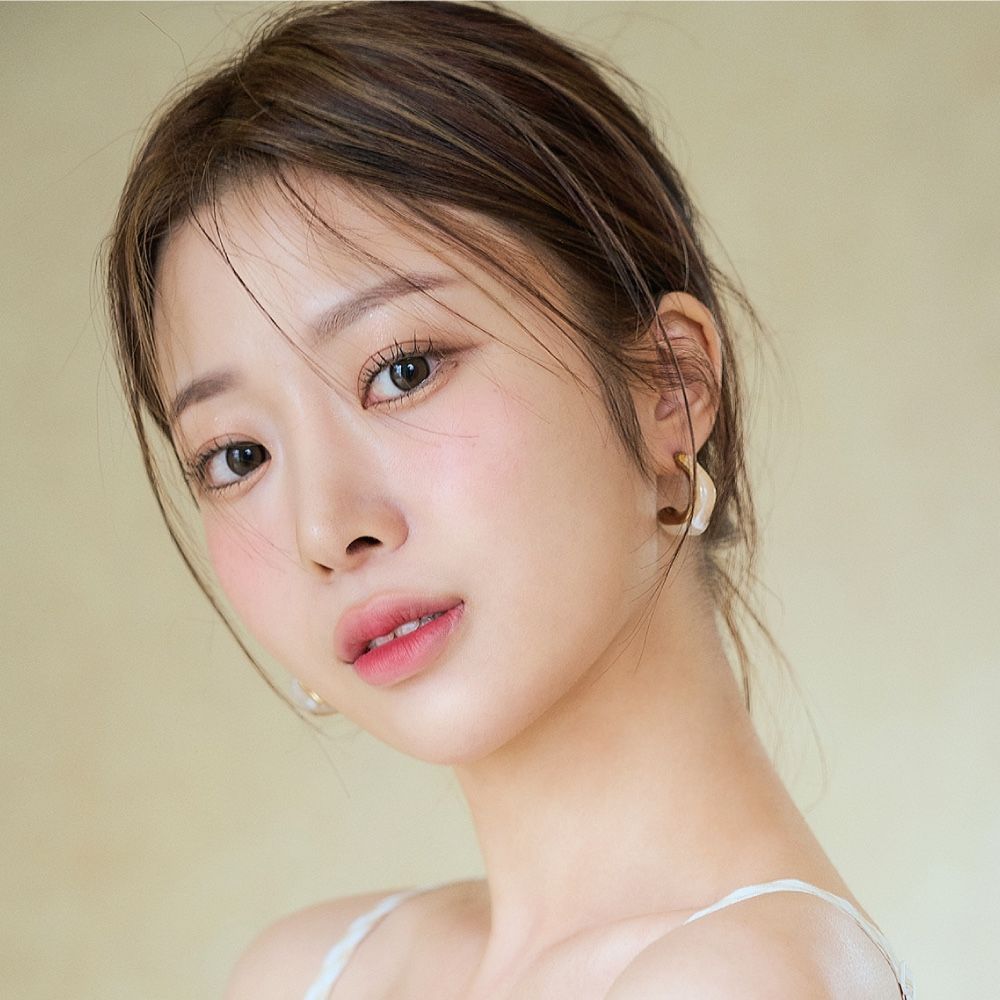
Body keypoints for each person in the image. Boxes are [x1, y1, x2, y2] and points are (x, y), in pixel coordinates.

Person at [105, 3, 913, 997]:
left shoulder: (743, 979)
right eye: (237, 456)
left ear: (668, 385)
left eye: (402, 370)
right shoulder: (310, 972)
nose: (326, 528)